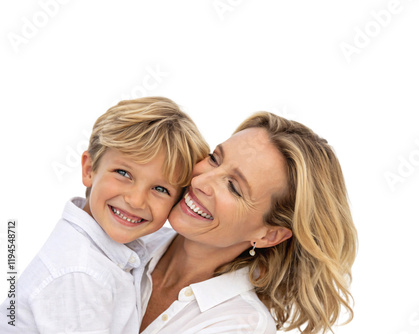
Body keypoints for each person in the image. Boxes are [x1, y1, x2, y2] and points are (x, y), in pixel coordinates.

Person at [0, 97, 209, 333]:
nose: (136, 200)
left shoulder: (110, 253)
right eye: (123, 173)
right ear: (89, 170)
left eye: (160, 189)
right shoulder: (81, 274)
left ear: (177, 202)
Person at [139, 112, 358, 334]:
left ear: (268, 235)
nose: (199, 181)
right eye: (214, 159)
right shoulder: (129, 239)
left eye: (234, 187)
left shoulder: (242, 325)